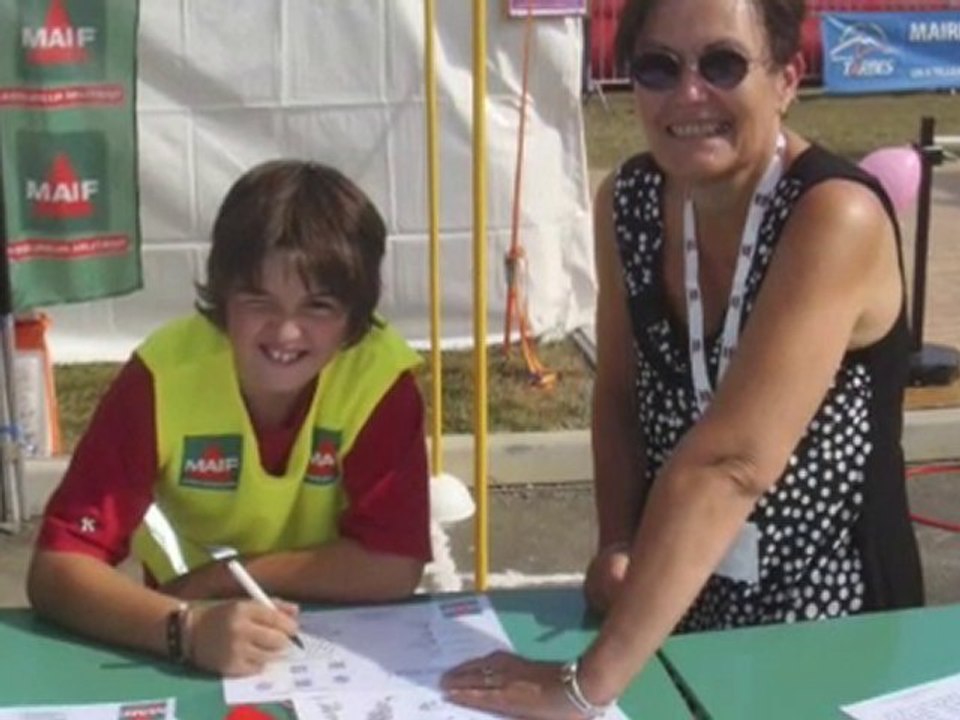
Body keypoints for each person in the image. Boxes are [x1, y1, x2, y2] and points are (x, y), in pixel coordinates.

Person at [441, 0, 923, 716]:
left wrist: (581, 687)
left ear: (788, 78)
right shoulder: (628, 202)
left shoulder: (834, 216)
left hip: (829, 618)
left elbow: (734, 464)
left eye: (722, 64)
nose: (688, 94)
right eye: (658, 67)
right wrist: (617, 542)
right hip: (671, 607)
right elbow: (619, 392)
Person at [27, 160, 432, 677]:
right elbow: (58, 568)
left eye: (318, 306)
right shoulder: (164, 376)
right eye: (259, 299)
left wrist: (219, 579)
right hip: (186, 644)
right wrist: (187, 629)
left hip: (341, 645)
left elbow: (394, 566)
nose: (286, 332)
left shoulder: (378, 379)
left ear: (355, 316)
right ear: (222, 296)